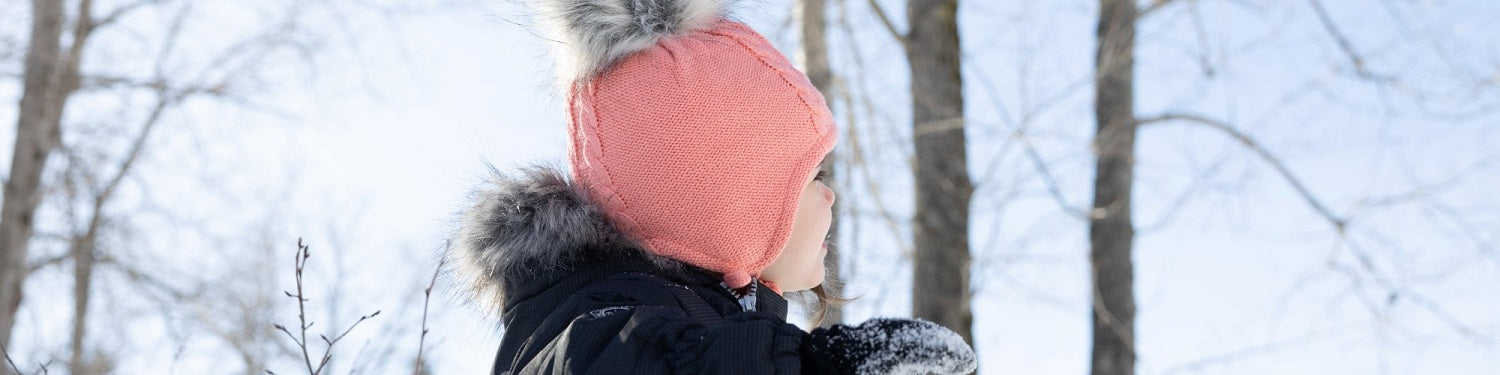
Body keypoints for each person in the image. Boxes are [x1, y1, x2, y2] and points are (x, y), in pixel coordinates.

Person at [449, 0, 979, 373]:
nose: (830, 194)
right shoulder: (594, 323)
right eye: (809, 175)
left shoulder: (711, 318)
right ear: (725, 202)